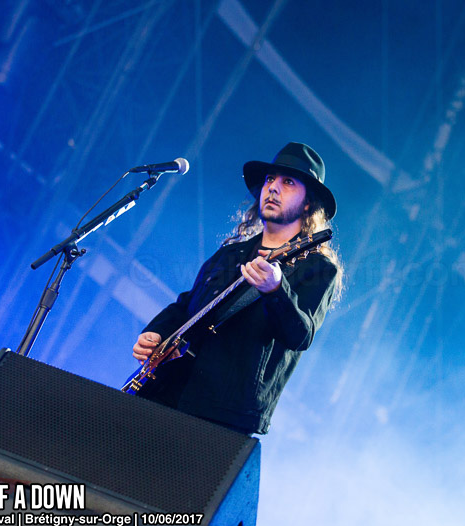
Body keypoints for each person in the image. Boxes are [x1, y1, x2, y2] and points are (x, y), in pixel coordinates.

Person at [131, 142, 343, 435]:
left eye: (288, 182)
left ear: (309, 204)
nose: (273, 187)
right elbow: (186, 305)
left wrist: (276, 290)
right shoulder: (230, 254)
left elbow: (300, 335)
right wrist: (156, 332)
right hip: (167, 388)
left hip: (223, 415)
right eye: (270, 179)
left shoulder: (317, 267)